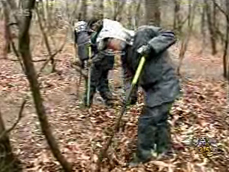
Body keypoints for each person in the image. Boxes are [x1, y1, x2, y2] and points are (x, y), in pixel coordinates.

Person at [107, 25, 181, 165]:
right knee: (160, 120)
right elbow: (128, 77)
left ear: (116, 36)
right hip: (152, 88)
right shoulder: (124, 55)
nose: (111, 49)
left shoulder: (143, 32)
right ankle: (164, 150)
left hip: (165, 82)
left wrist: (151, 47)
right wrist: (130, 96)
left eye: (110, 44)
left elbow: (170, 34)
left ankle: (143, 157)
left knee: (147, 120)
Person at [86, 18, 139, 107]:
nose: (94, 28)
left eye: (94, 26)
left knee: (95, 81)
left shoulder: (107, 34)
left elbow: (102, 51)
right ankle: (111, 100)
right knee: (103, 82)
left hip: (102, 61)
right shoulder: (105, 31)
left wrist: (93, 60)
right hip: (107, 60)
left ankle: (87, 102)